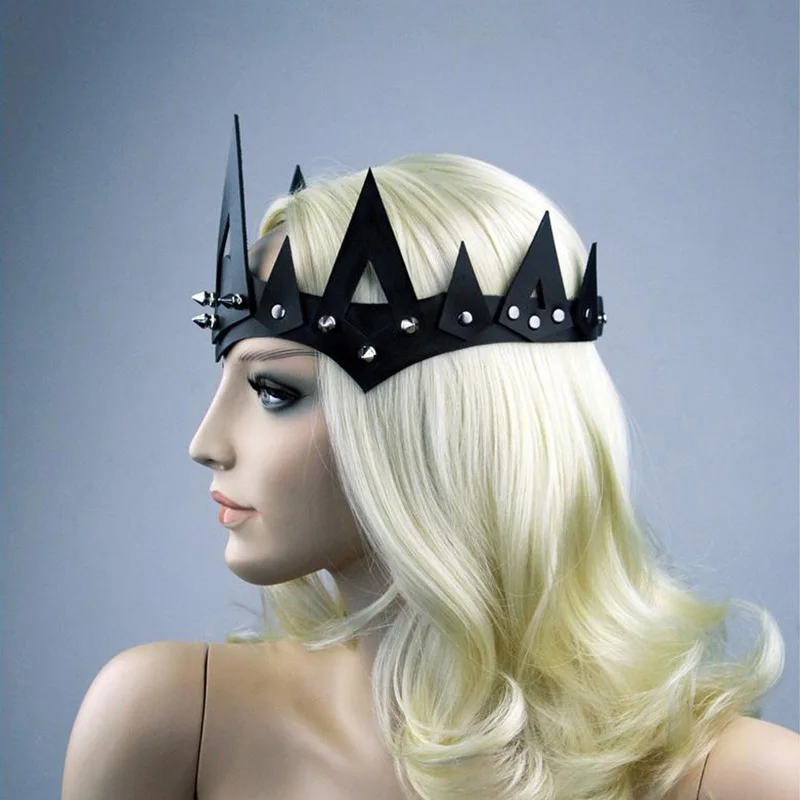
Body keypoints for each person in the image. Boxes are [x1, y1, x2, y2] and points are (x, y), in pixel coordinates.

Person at [62, 123, 799, 799]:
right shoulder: (171, 721)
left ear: (437, 426)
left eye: (274, 391)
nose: (204, 442)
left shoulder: (737, 781)